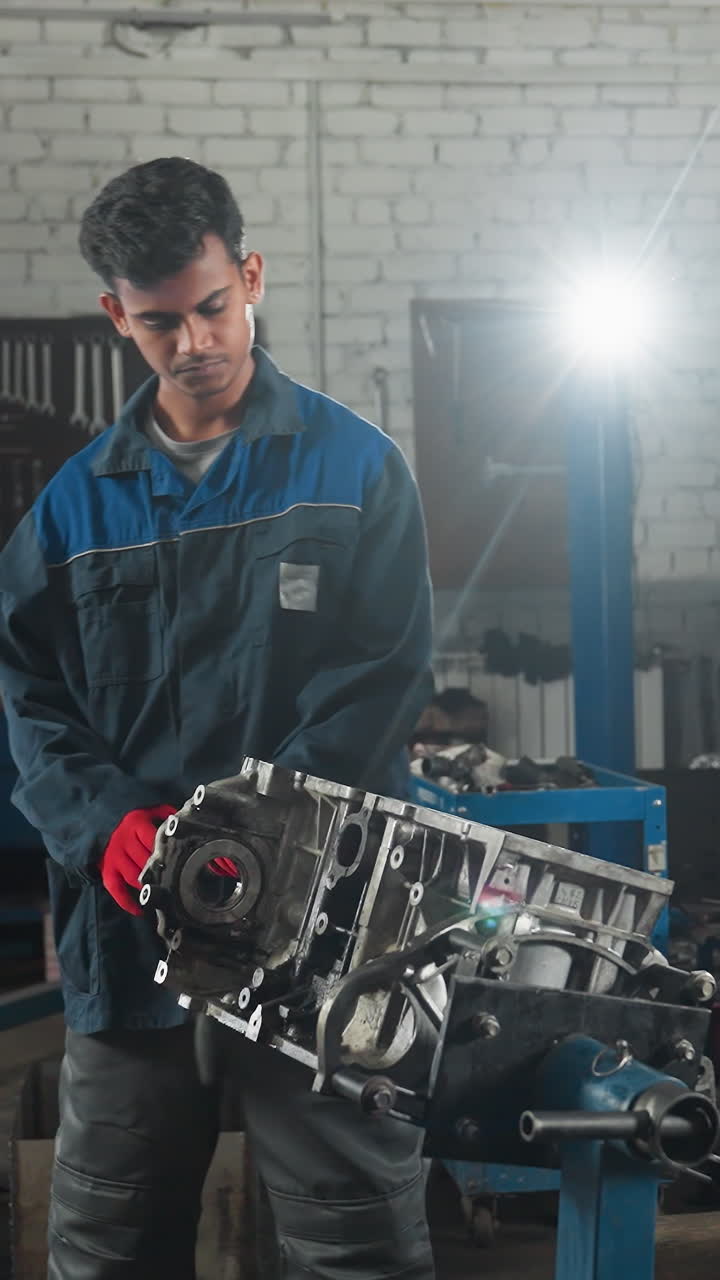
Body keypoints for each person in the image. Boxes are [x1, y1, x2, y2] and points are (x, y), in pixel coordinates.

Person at [0, 157, 435, 1280]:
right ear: (116, 316)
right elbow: (29, 696)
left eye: (210, 306)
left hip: (319, 941)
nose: (193, 341)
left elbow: (382, 674)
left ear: (248, 275)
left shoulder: (353, 470)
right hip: (133, 944)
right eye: (157, 323)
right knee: (110, 1252)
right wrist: (108, 829)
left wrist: (256, 831)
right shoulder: (74, 508)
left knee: (355, 1250)